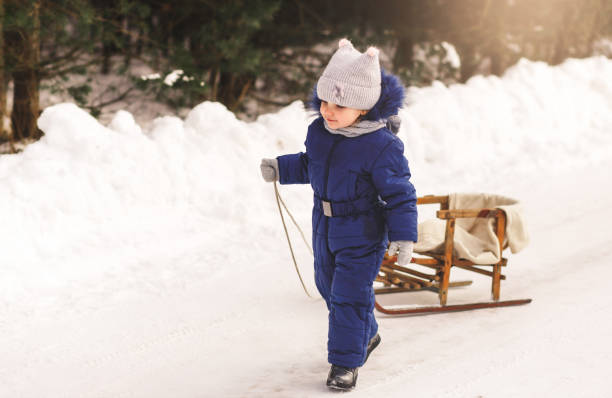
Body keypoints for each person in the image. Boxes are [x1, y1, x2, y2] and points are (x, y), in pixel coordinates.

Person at [260, 39, 417, 391]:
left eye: (339, 105)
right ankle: (367, 334)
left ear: (363, 107)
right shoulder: (320, 131)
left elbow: (400, 194)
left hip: (362, 230)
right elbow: (310, 163)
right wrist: (282, 168)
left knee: (348, 295)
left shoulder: (381, 146)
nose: (328, 111)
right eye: (324, 101)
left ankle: (345, 363)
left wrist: (403, 235)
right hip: (324, 225)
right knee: (329, 287)